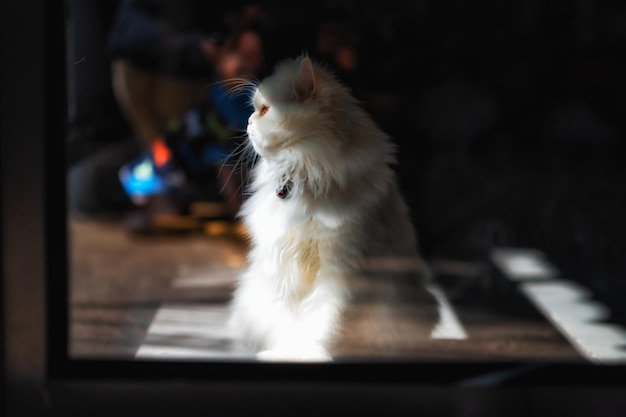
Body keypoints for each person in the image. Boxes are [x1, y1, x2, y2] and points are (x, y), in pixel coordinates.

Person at [107, 0, 269, 233]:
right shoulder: (223, 100)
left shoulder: (235, 95)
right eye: (241, 56)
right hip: (164, 173)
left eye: (253, 57)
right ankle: (162, 204)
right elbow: (224, 162)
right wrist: (239, 209)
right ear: (222, 57)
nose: (247, 64)